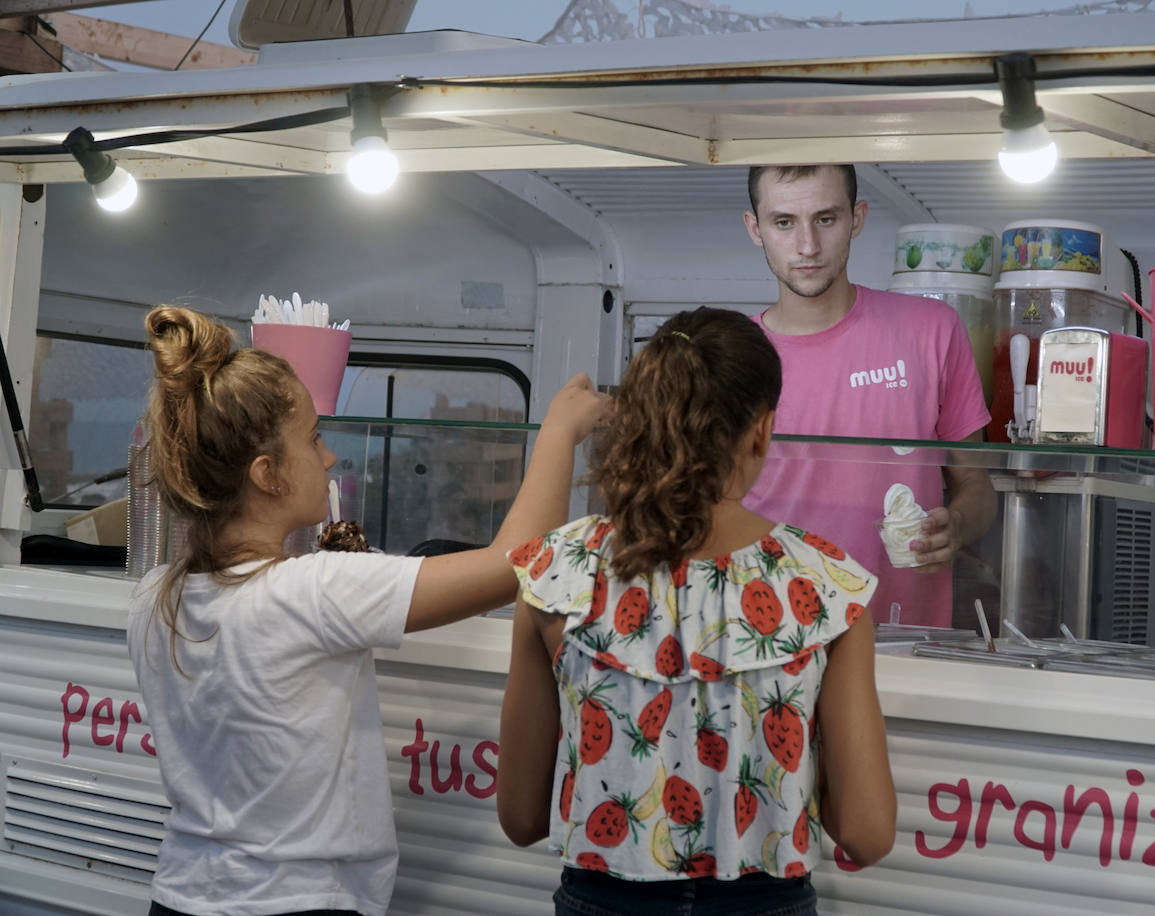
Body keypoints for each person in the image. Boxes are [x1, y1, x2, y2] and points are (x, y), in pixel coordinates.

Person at [126, 305, 606, 916]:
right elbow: (514, 562)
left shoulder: (152, 595)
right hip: (297, 904)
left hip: (179, 897)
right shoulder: (311, 592)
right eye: (313, 437)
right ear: (267, 474)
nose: (328, 458)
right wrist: (561, 431)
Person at [497, 307, 897, 916]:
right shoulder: (827, 586)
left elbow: (522, 818)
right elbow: (866, 833)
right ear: (760, 431)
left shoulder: (557, 573)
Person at [741, 163, 997, 628]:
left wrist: (956, 527)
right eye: (784, 222)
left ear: (857, 218)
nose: (807, 246)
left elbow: (976, 485)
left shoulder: (932, 330)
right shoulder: (732, 358)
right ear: (754, 228)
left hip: (904, 641)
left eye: (826, 219)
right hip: (771, 642)